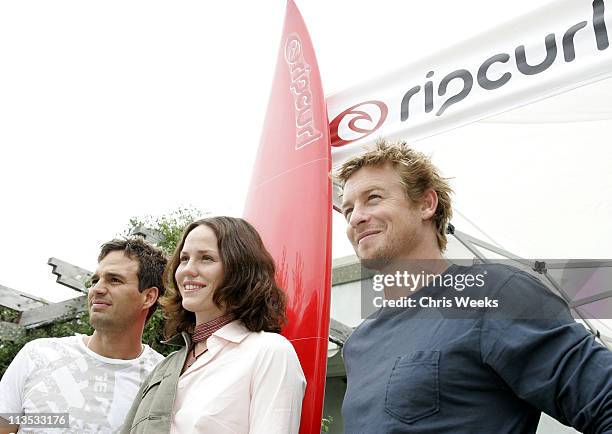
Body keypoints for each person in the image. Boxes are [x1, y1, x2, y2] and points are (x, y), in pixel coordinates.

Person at [335, 139, 612, 433]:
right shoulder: (358, 343)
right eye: (348, 209)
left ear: (427, 204)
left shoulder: (494, 294)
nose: (356, 218)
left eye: (374, 198)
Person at [121, 216, 306, 434]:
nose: (188, 269)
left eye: (206, 258)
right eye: (184, 259)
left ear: (240, 269)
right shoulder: (167, 366)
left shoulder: (269, 352)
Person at [0, 238, 167, 434]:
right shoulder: (38, 355)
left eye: (114, 280)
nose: (97, 289)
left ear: (148, 297)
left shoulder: (163, 380)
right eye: (95, 280)